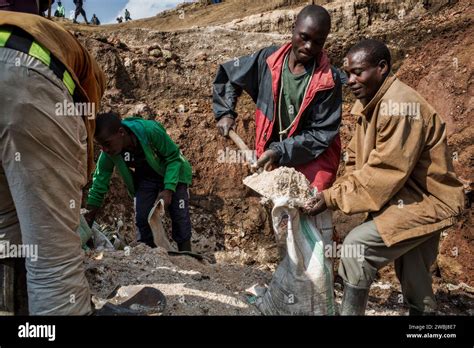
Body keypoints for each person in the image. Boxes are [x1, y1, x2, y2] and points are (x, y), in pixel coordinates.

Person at [303, 39, 465, 315]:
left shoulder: (399, 107)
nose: (351, 80)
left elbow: (385, 172)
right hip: (406, 198)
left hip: (428, 202)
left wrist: (331, 198)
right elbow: (356, 158)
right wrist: (342, 188)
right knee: (416, 279)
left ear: (382, 68)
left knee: (358, 248)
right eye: (348, 73)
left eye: (359, 72)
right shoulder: (370, 103)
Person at [0, 0, 105, 315]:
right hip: (24, 76)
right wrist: (77, 185)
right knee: (52, 258)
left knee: (4, 229)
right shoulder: (56, 38)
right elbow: (86, 118)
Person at [213, 4, 341, 195]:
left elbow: (320, 134)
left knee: (309, 217)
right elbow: (230, 74)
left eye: (318, 42)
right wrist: (225, 112)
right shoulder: (268, 59)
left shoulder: (329, 79)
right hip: (273, 159)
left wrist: (279, 151)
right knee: (278, 215)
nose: (309, 47)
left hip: (313, 163)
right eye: (304, 37)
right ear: (293, 28)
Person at [85, 113, 194, 252]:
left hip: (174, 172)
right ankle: (148, 258)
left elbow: (173, 157)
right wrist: (88, 219)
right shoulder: (108, 152)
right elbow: (99, 183)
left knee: (180, 217)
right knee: (142, 218)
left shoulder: (150, 131)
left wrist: (168, 189)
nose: (105, 149)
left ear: (121, 132)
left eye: (107, 143)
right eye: (101, 146)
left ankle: (188, 256)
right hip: (146, 178)